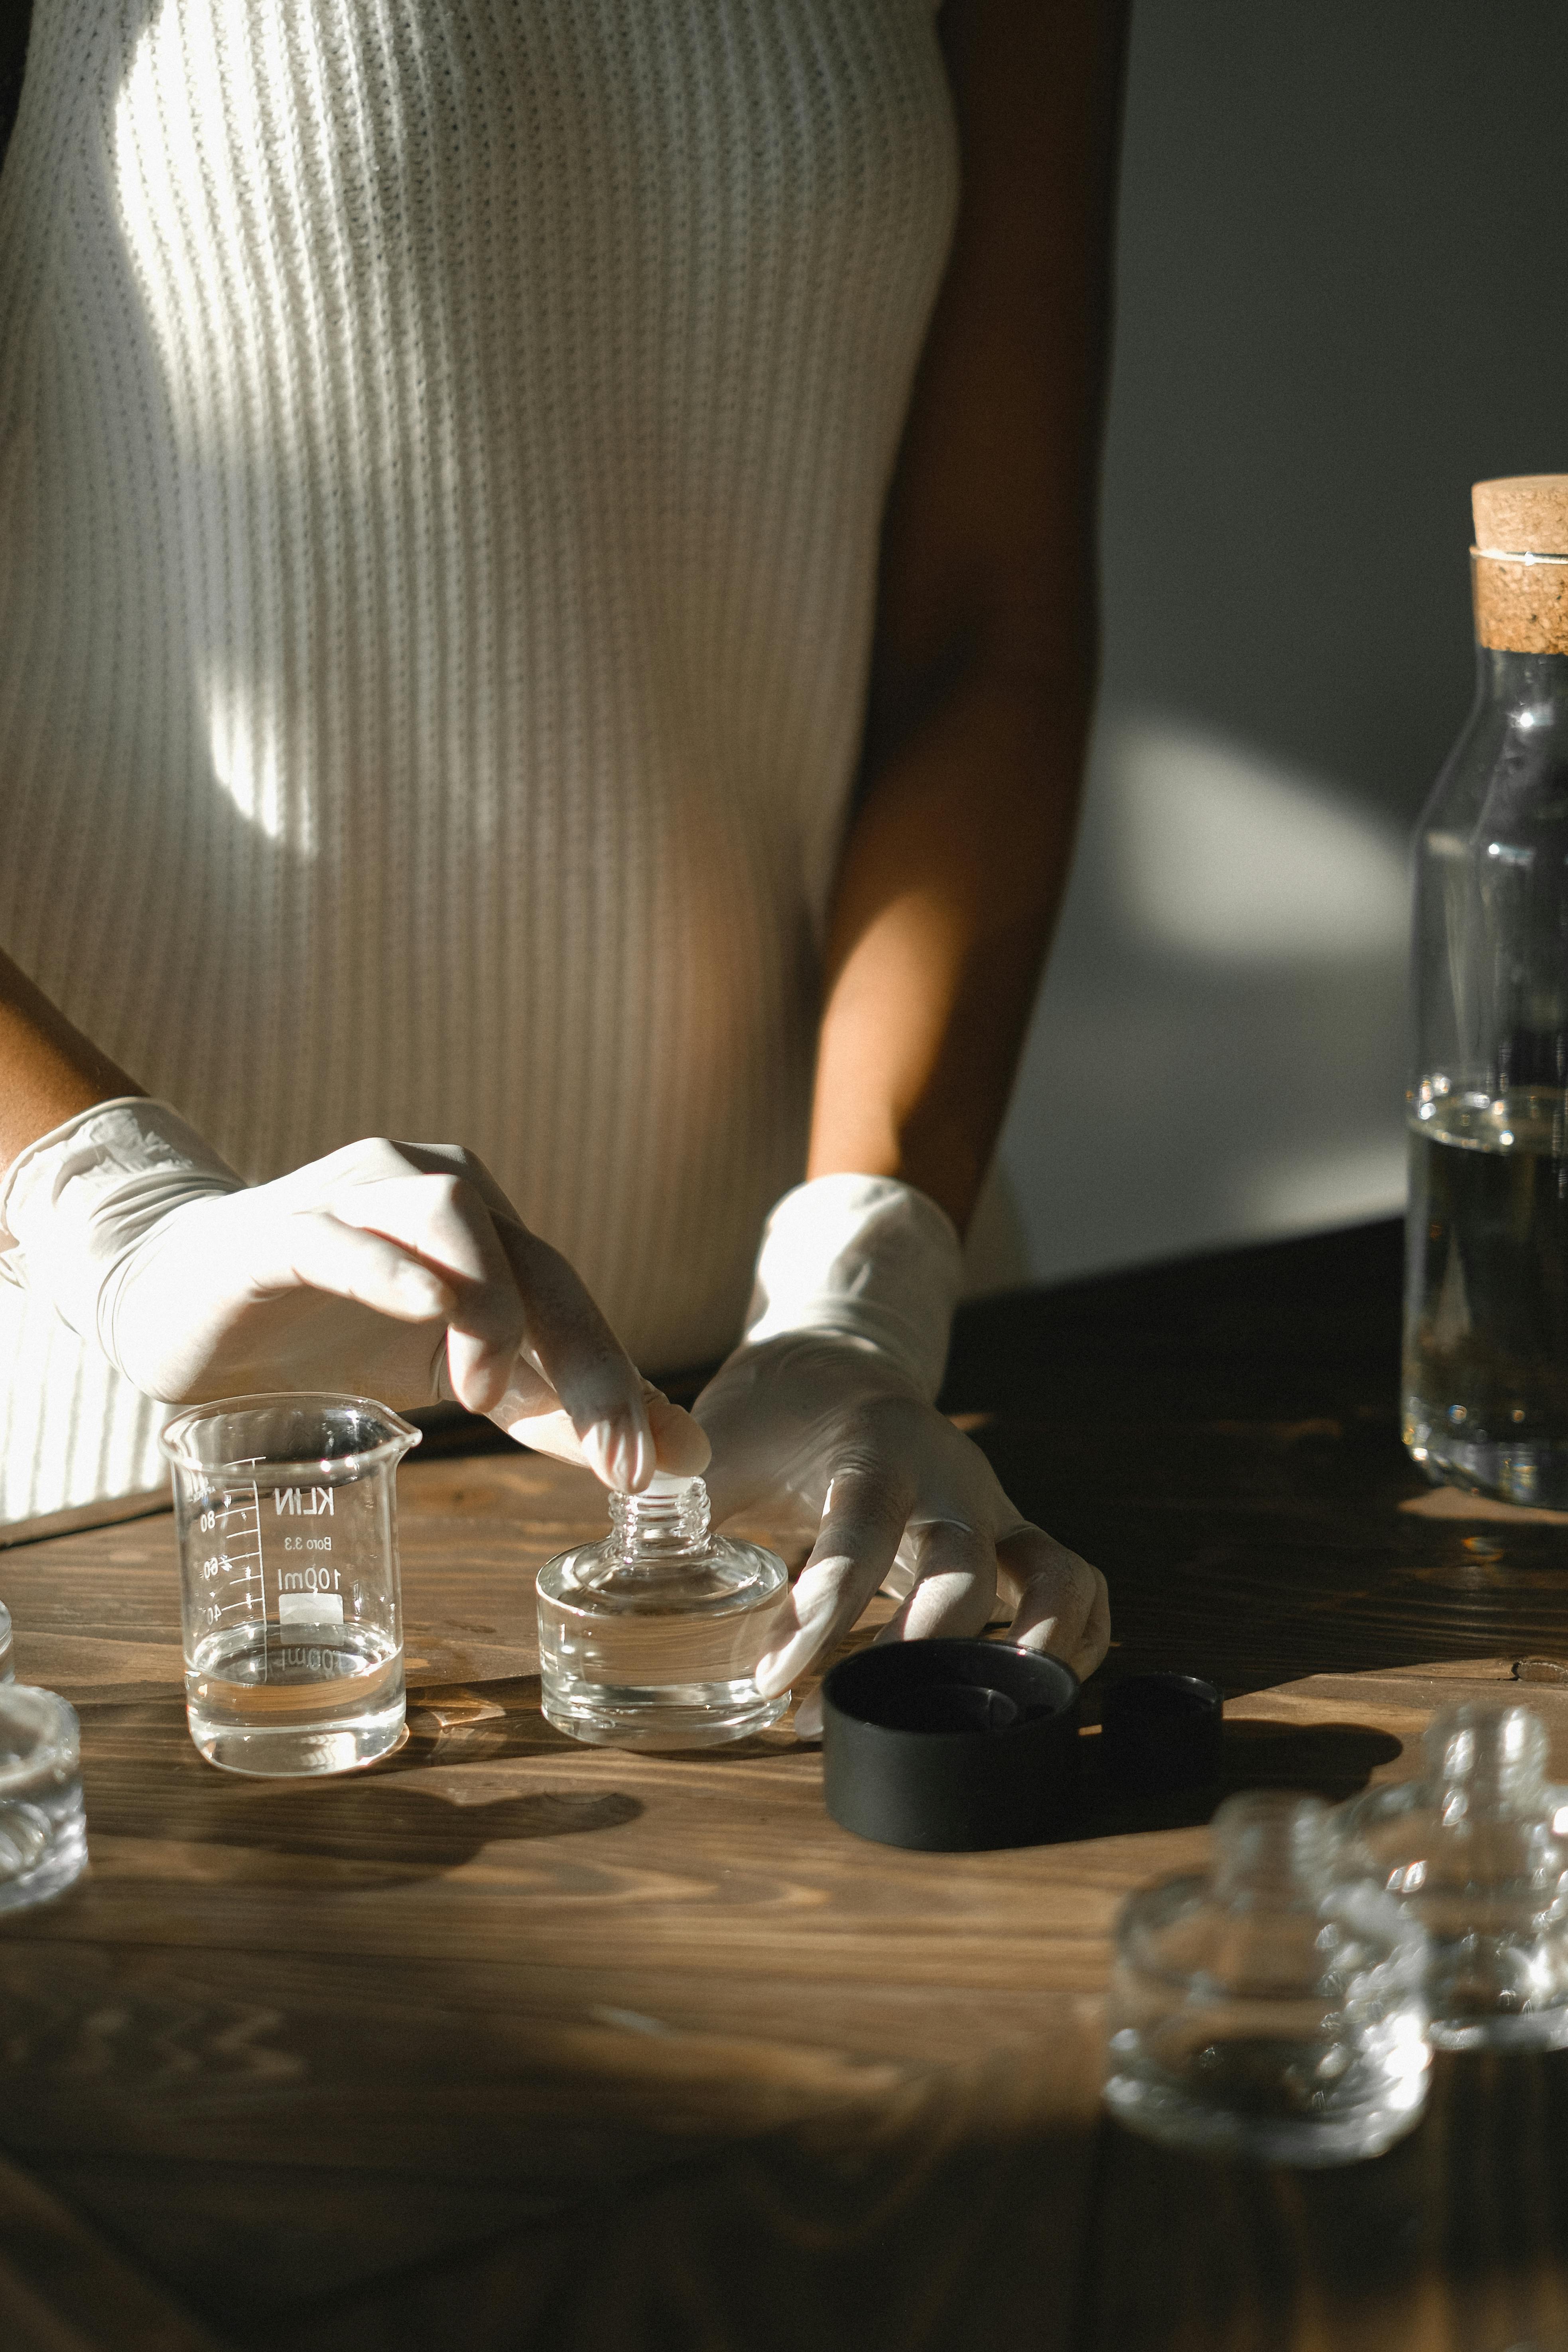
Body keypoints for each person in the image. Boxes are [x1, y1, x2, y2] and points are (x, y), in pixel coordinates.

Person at [0, 0, 1116, 1728]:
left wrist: (865, 1292)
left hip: (844, 1447)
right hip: (128, 1489)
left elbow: (985, 631)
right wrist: (124, 1223)